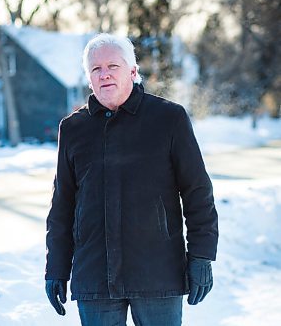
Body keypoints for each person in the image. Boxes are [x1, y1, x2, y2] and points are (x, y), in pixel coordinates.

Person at [45, 33, 218, 326]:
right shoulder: (73, 129)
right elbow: (62, 206)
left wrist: (201, 255)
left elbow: (197, 191)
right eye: (96, 69)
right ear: (89, 78)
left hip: (157, 273)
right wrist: (56, 269)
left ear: (133, 72)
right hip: (95, 277)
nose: (105, 75)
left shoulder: (168, 118)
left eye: (113, 66)